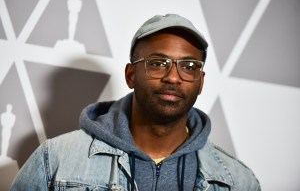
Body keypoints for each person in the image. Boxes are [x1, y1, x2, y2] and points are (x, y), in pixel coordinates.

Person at [11, 14, 260, 190]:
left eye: (189, 66)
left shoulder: (237, 181)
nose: (173, 77)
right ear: (131, 75)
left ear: (201, 82)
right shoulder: (55, 159)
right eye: (157, 63)